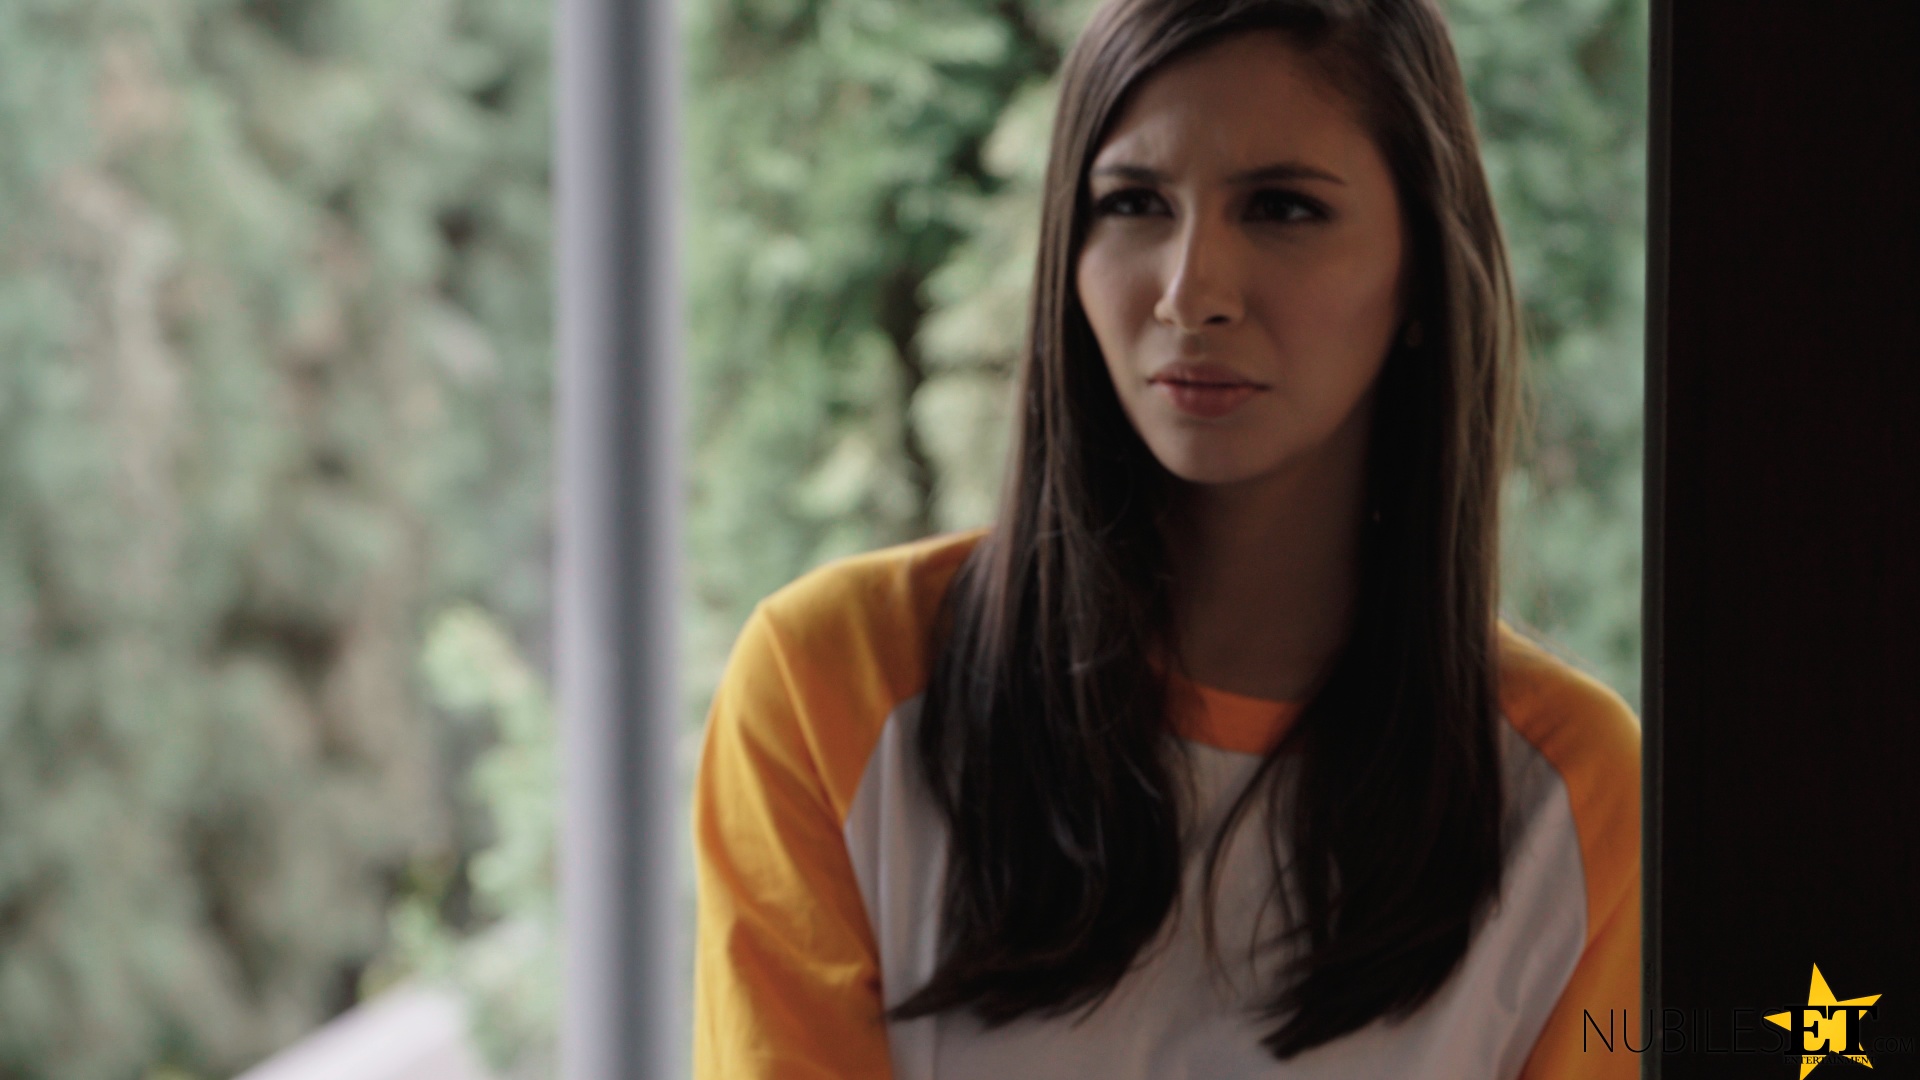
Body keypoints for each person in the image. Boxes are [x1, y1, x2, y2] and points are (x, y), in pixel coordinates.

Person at [692, 0, 1640, 1076]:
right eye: (1134, 203)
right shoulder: (833, 686)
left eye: (1282, 208)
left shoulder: (1575, 803)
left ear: (1423, 264)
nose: (1192, 295)